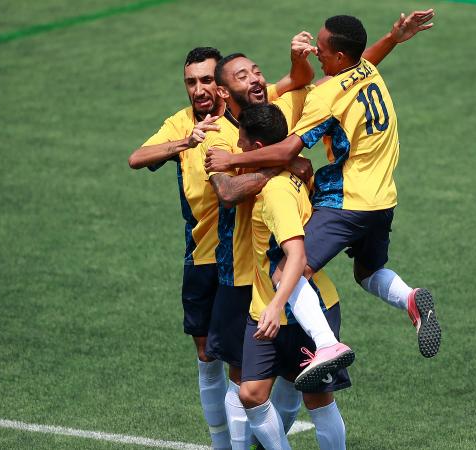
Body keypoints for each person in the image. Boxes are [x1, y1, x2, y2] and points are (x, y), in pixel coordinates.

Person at [204, 14, 442, 393]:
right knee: (366, 272)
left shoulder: (324, 97)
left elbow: (286, 149)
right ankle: (410, 299)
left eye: (323, 50)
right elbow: (366, 57)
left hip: (347, 201)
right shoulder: (365, 69)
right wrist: (394, 38)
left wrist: (231, 160)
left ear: (341, 55)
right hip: (384, 199)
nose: (318, 54)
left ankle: (327, 345)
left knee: (287, 272)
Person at [128, 41, 315, 449]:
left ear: (222, 87)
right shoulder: (188, 126)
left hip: (245, 258)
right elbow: (137, 158)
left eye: (207, 80)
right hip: (203, 253)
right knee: (209, 354)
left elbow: (302, 81)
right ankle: (222, 442)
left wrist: (300, 58)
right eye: (190, 82)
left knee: (254, 365)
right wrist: (184, 143)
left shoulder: (253, 118)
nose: (198, 89)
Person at [237, 103, 349, 450]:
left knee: (318, 400)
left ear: (258, 148)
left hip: (301, 309)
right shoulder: (290, 176)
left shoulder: (277, 193)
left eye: (241, 140)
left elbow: (297, 255)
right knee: (252, 393)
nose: (237, 147)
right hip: (265, 306)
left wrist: (276, 306)